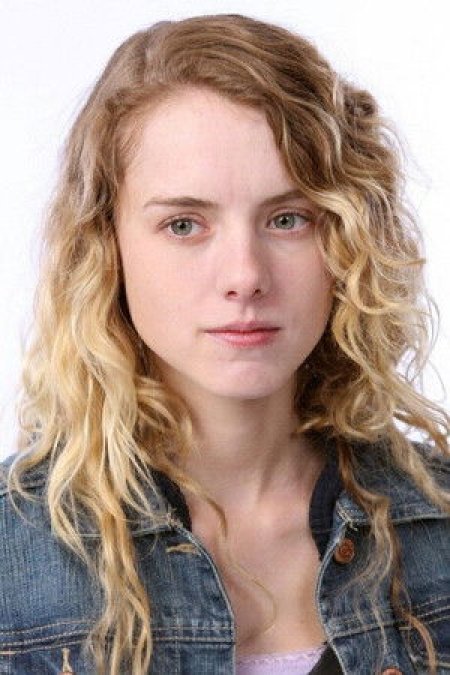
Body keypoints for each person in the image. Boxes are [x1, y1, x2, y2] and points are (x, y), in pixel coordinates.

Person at [0, 12, 449, 675]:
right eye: (185, 224)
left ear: (349, 239)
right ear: (106, 245)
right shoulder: (14, 559)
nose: (245, 275)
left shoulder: (439, 527)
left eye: (288, 219)